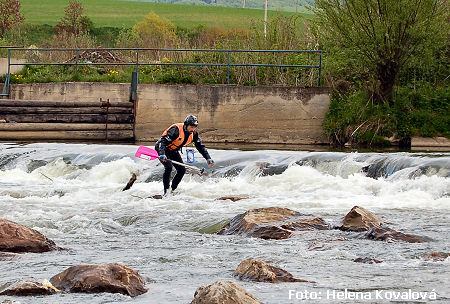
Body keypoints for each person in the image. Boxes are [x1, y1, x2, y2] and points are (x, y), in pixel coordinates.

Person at [155, 114, 214, 195]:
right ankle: (166, 191)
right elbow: (163, 142)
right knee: (168, 167)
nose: (193, 129)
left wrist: (208, 158)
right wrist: (162, 153)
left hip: (173, 151)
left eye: (195, 126)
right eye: (191, 126)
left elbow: (200, 147)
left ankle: (172, 190)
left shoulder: (194, 134)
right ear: (186, 125)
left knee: (181, 170)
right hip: (162, 148)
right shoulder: (176, 129)